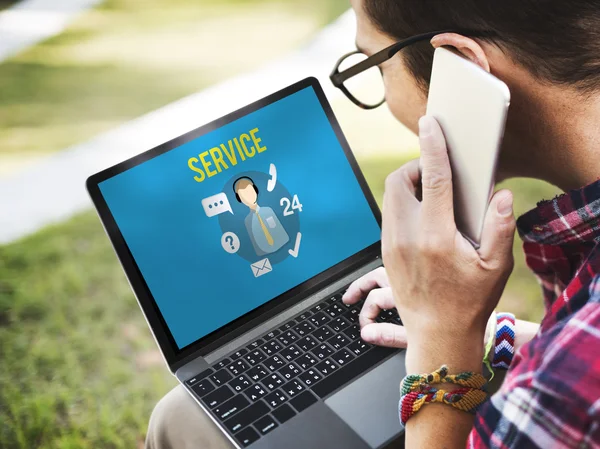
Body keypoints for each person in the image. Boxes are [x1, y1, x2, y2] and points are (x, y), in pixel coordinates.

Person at [146, 0, 600, 447]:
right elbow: (567, 351)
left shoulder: (569, 391)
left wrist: (441, 341)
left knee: (177, 421)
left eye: (374, 65)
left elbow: (570, 376)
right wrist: (483, 334)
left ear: (464, 69)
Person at [233, 176, 289, 257]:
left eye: (249, 191)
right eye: (244, 194)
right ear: (239, 199)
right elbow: (256, 246)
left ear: (256, 190)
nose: (248, 196)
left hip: (282, 246)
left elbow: (282, 234)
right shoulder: (248, 220)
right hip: (265, 254)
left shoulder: (268, 211)